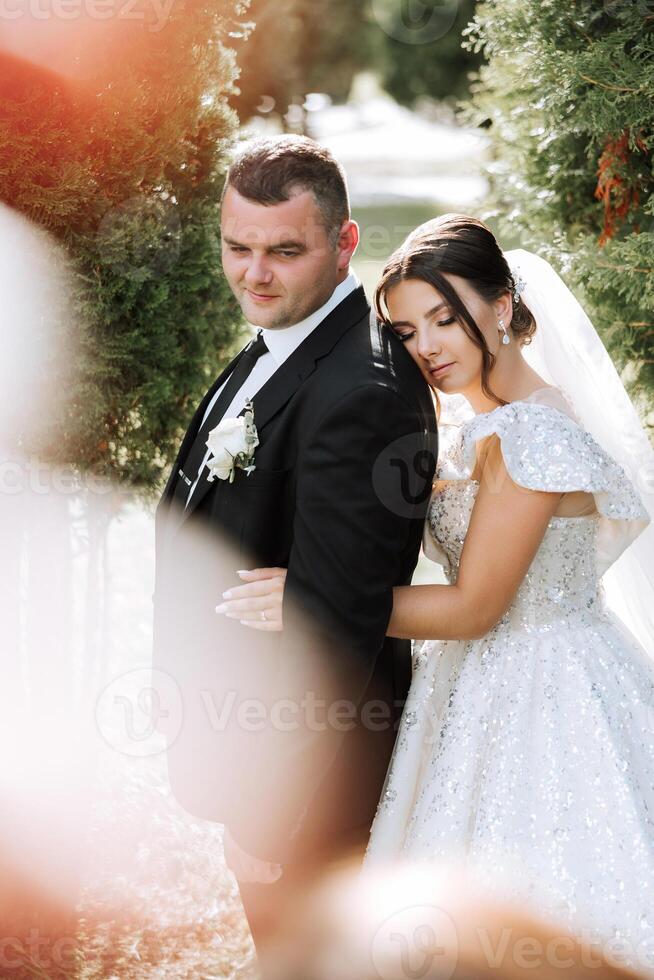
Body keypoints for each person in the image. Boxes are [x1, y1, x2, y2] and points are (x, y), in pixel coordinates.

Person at [222, 215, 654, 975]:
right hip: (474, 685)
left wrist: (314, 598)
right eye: (406, 329)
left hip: (542, 693)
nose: (424, 347)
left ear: (503, 304)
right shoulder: (484, 428)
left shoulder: (536, 438)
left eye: (444, 320)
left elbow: (474, 607)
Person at [152, 135, 437, 965]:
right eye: (236, 248)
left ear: (345, 243)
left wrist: (266, 821)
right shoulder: (288, 344)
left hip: (305, 796)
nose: (254, 274)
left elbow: (336, 633)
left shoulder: (364, 391)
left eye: (284, 251)